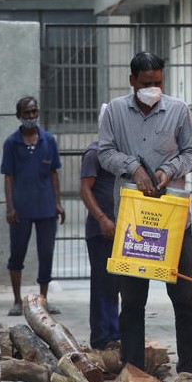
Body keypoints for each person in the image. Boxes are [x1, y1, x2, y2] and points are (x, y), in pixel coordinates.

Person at [98, 52, 192, 374]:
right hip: (134, 221)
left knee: (185, 298)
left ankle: (188, 369)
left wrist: (167, 171)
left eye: (157, 82)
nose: (152, 89)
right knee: (131, 302)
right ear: (132, 81)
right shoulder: (114, 111)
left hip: (173, 220)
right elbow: (105, 152)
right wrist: (133, 168)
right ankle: (133, 370)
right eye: (145, 83)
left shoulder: (179, 110)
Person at [1, 96, 66, 316]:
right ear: (18, 116)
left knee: (46, 253)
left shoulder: (48, 140)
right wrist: (10, 207)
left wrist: (57, 203)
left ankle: (43, 300)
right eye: (26, 113)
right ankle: (17, 301)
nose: (31, 116)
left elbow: (53, 173)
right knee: (17, 254)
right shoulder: (12, 143)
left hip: (46, 208)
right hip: (21, 209)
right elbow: (8, 176)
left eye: (34, 111)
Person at [80, 104, 120, 350]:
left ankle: (115, 335)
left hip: (121, 230)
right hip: (101, 231)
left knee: (116, 286)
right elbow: (85, 190)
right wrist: (103, 219)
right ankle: (102, 338)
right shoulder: (94, 153)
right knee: (102, 285)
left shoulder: (121, 153)